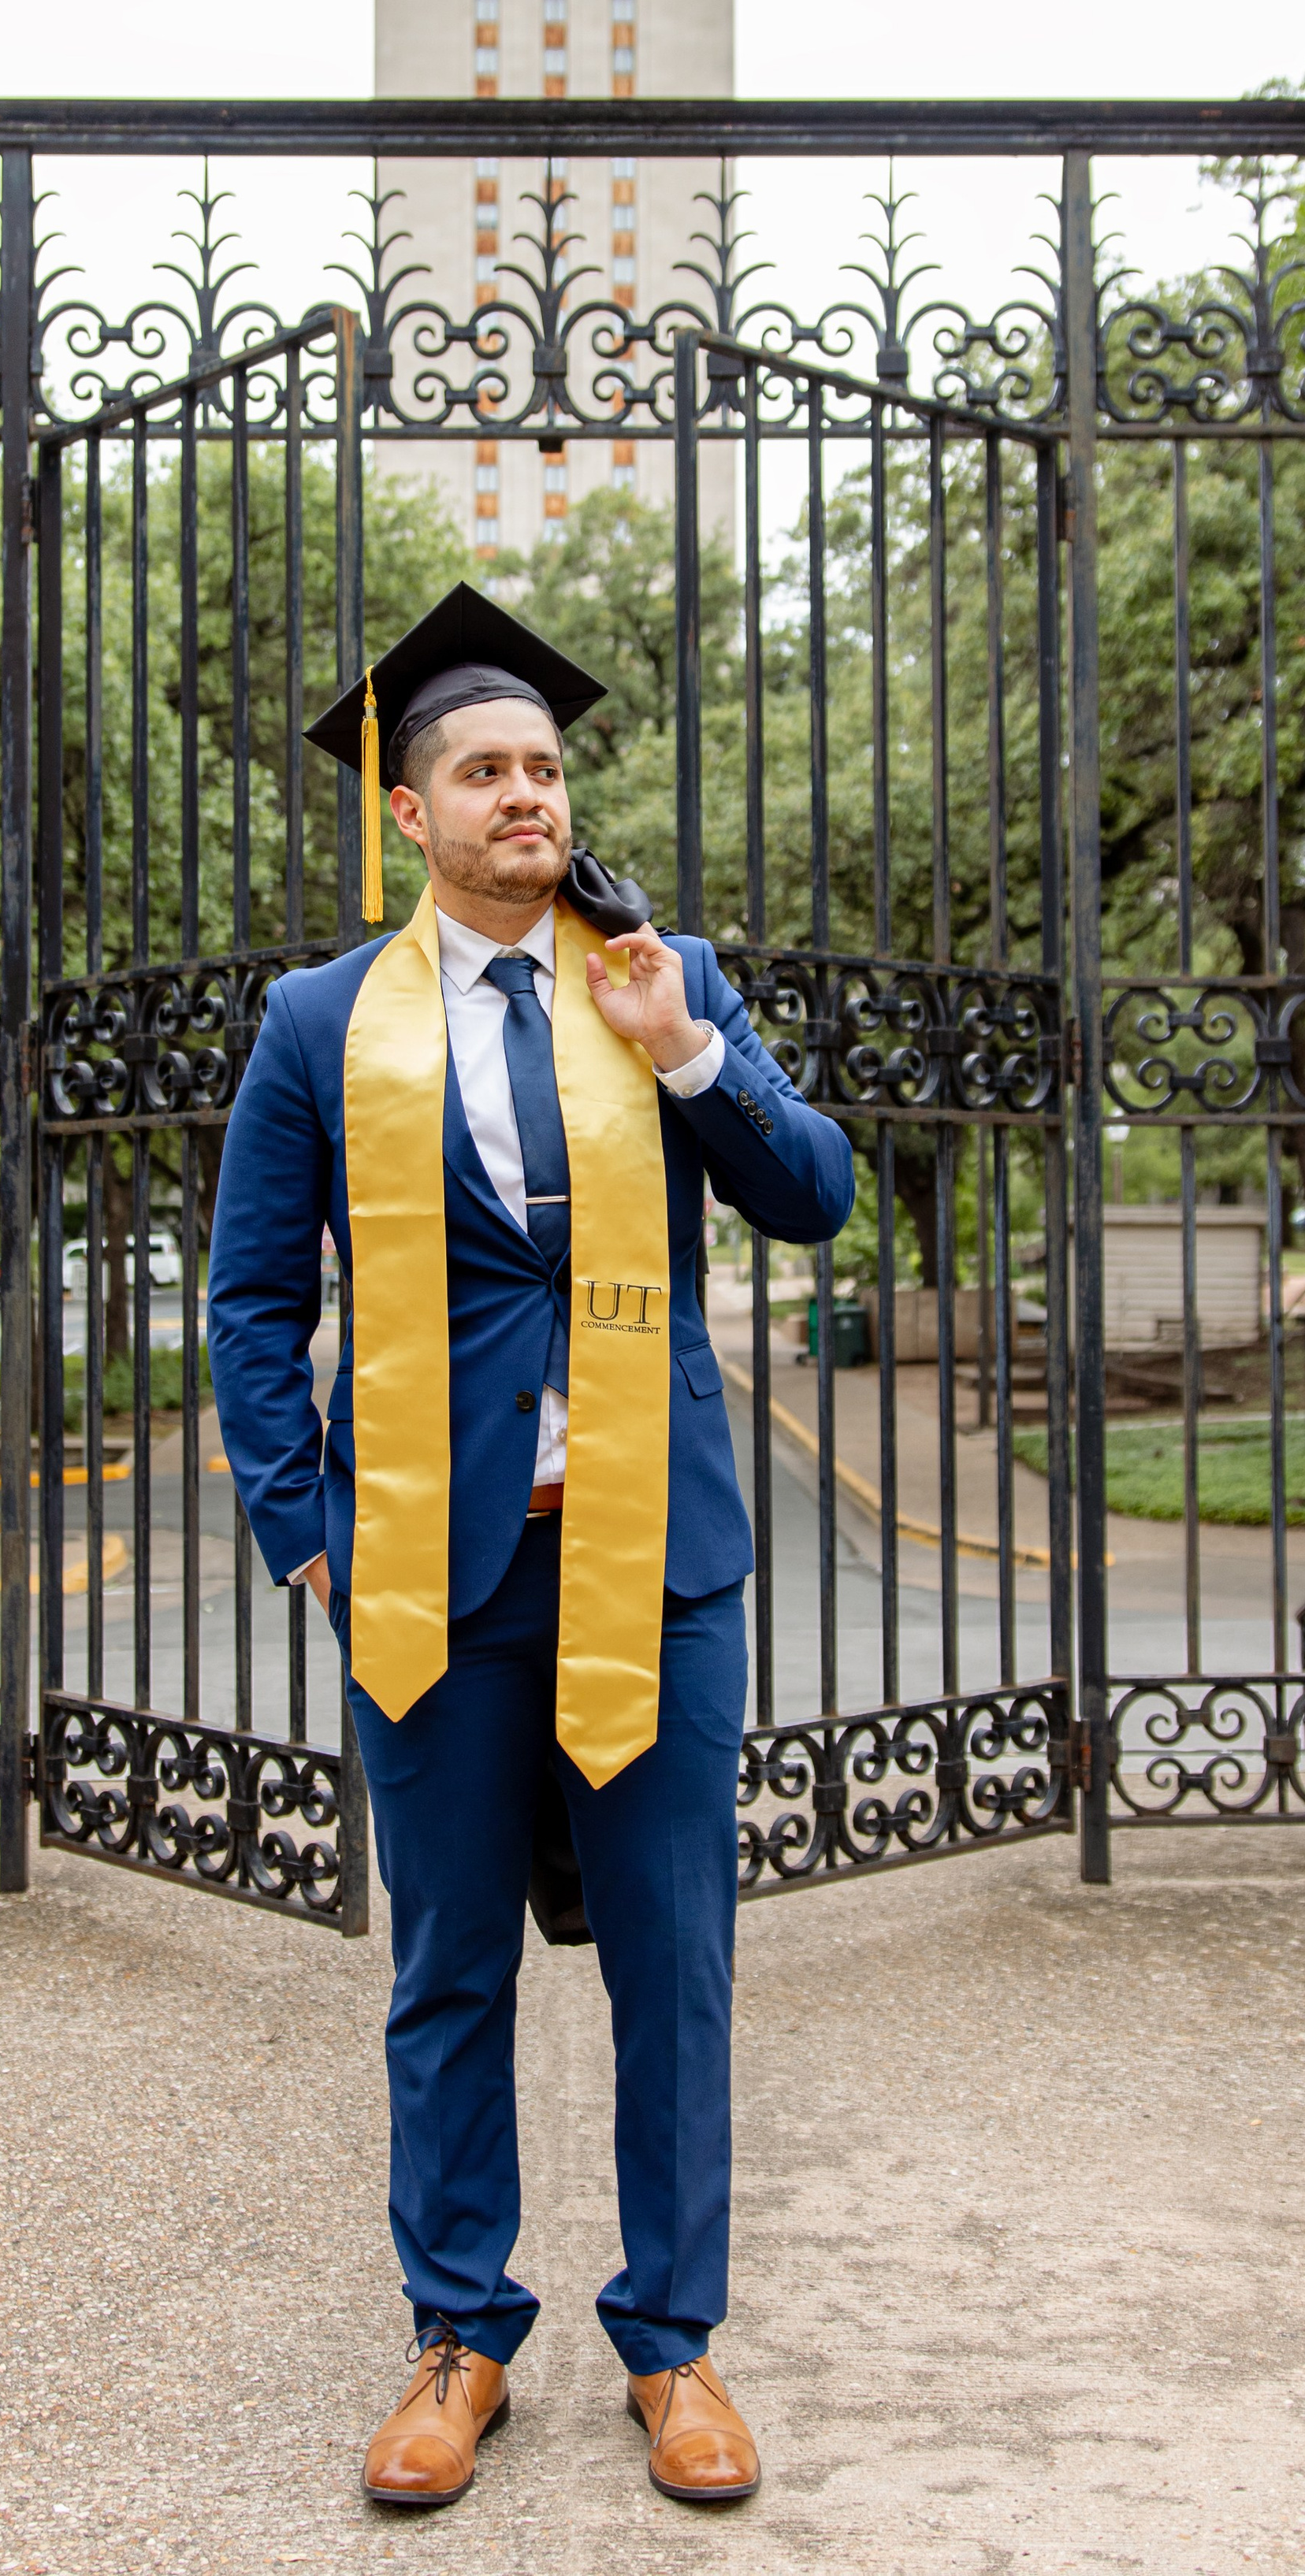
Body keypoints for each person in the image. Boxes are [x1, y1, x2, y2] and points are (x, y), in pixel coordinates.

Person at [207, 585, 853, 2511]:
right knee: (447, 1973)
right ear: (410, 811)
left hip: (656, 1561)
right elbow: (252, 1300)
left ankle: (671, 2347)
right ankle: (459, 2334)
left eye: (545, 768)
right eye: (484, 771)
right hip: (432, 1566)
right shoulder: (322, 1023)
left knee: (674, 1965)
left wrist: (683, 1054)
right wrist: (305, 1531)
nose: (526, 796)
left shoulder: (661, 973)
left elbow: (812, 1193)